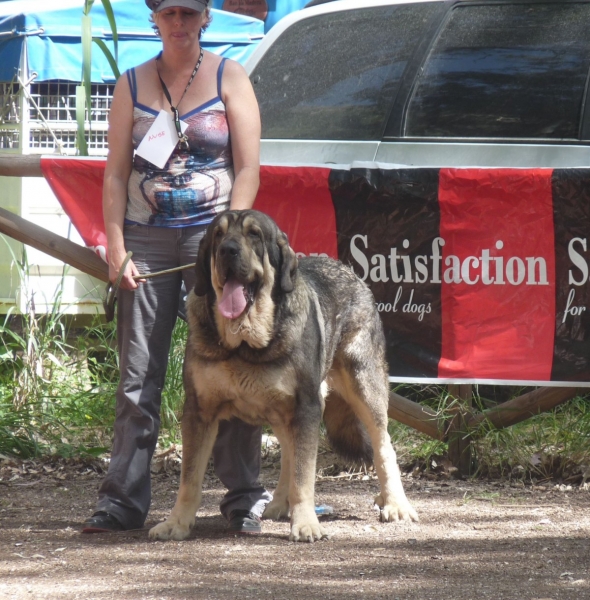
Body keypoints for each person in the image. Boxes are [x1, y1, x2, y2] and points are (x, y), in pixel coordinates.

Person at [83, 0, 271, 535]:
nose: (180, 23)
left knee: (234, 366)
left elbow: (249, 167)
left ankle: (243, 498)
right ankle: (122, 500)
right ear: (156, 20)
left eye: (189, 13)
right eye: (169, 13)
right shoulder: (131, 83)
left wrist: (230, 241)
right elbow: (116, 175)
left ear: (205, 17)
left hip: (215, 243)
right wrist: (117, 249)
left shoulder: (230, 76)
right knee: (138, 374)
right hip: (146, 239)